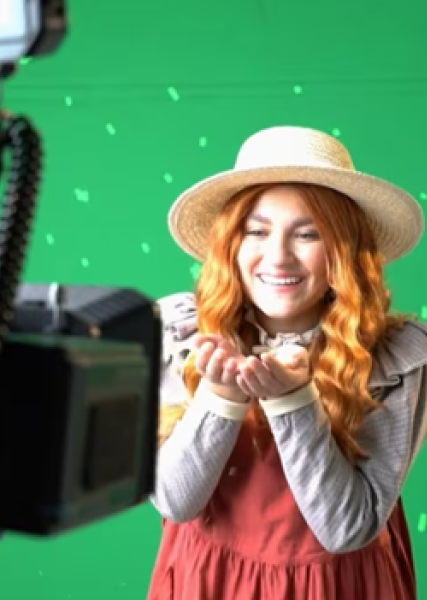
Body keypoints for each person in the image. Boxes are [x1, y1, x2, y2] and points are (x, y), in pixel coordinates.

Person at [147, 125, 427, 600]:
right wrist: (221, 397)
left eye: (309, 234)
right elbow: (175, 500)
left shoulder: (396, 358)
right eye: (256, 230)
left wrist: (293, 400)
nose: (278, 256)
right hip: (208, 581)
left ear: (343, 252)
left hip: (341, 585)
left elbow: (346, 528)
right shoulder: (181, 335)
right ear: (231, 245)